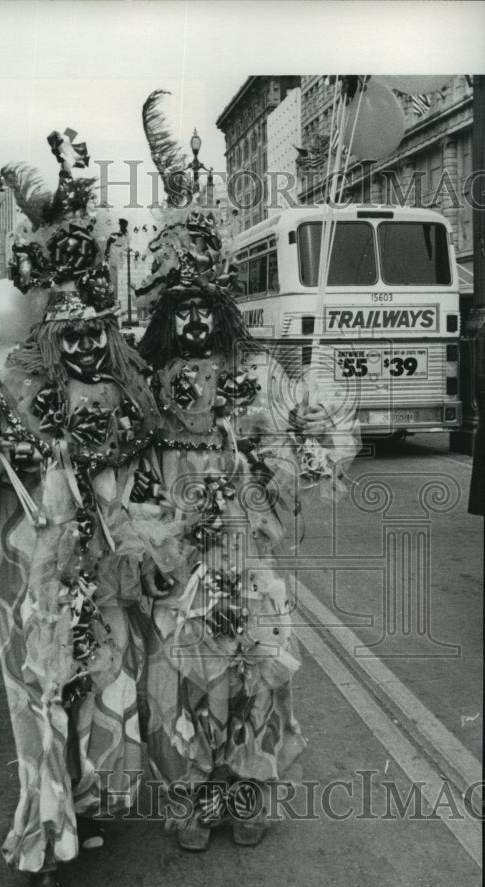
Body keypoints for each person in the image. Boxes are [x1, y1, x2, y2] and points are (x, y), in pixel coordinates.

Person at [0, 143, 178, 887]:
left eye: (97, 328)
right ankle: (40, 851)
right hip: (30, 575)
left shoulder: (128, 403)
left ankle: (81, 809)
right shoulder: (8, 391)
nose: (84, 341)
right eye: (69, 328)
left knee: (98, 693)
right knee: (38, 704)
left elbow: (147, 488)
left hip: (104, 571)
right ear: (47, 331)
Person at [134, 206, 360, 851]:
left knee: (250, 673)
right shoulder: (146, 387)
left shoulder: (253, 377)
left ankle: (248, 791)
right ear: (165, 319)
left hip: (241, 551)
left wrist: (302, 447)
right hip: (179, 554)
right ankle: (196, 799)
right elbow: (131, 476)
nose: (196, 322)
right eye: (183, 310)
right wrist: (164, 528)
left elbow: (278, 455)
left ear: (224, 313)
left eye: (206, 307)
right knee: (185, 678)